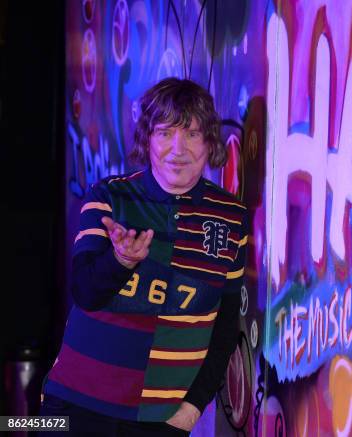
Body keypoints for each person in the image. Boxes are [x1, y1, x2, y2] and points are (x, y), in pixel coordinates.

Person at [38, 78, 246, 436]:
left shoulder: (230, 218)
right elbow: (85, 292)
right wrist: (120, 261)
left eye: (192, 134)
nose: (177, 149)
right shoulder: (108, 196)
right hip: (72, 407)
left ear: (209, 141)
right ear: (148, 138)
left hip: (161, 420)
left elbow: (225, 328)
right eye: (165, 133)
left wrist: (191, 409)